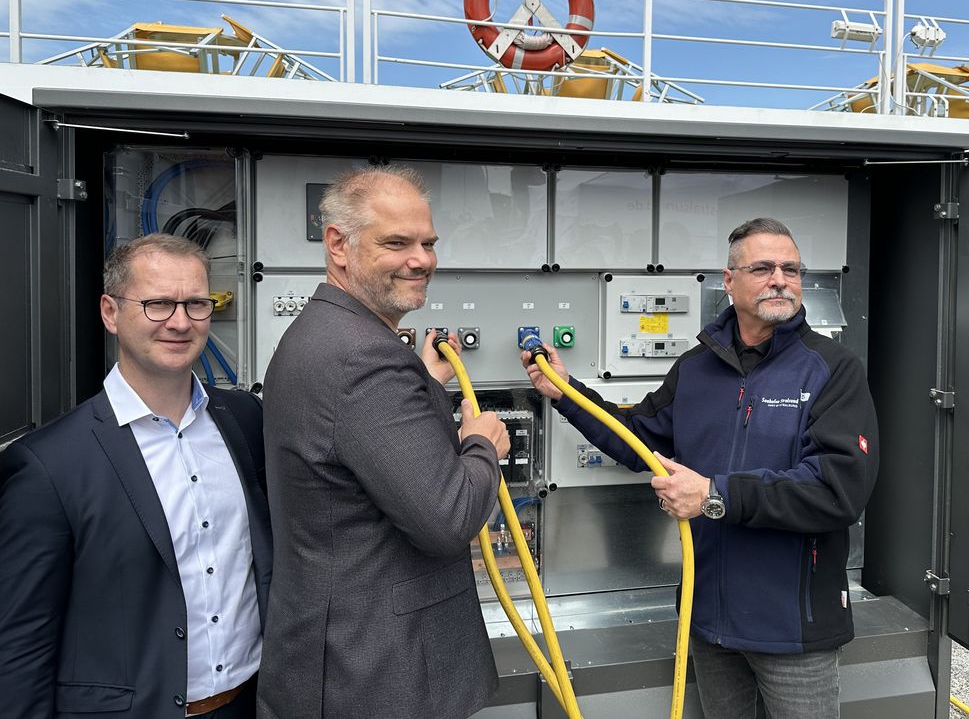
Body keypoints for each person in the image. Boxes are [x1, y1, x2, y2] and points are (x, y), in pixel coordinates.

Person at [522, 217, 878, 719]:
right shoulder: (696, 367)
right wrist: (568, 393)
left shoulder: (832, 368)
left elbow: (838, 487)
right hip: (708, 620)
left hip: (794, 626)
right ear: (729, 281)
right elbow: (639, 440)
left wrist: (717, 494)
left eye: (791, 269)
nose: (780, 278)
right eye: (762, 268)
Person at [258, 167, 510, 719]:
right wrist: (481, 444)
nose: (421, 260)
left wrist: (421, 380)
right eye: (396, 243)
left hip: (341, 658)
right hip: (377, 672)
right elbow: (447, 519)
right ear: (337, 245)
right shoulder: (363, 360)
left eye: (428, 243)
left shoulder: (325, 334)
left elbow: (354, 433)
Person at [0, 233, 270, 719]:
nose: (181, 322)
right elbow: (21, 645)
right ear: (110, 312)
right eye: (158, 304)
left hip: (250, 704)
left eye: (196, 303)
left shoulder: (246, 420)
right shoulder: (48, 465)